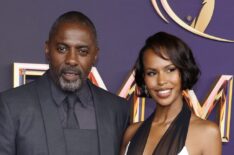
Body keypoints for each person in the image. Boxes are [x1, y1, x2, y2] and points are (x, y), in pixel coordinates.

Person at [0, 11, 129, 155]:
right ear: (47, 49)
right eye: (62, 49)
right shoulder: (11, 107)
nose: (71, 60)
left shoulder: (118, 111)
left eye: (83, 51)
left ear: (95, 55)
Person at [120, 32, 222, 155]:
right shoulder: (131, 132)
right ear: (144, 78)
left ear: (183, 72)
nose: (161, 81)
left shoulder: (207, 133)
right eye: (152, 73)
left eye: (170, 70)